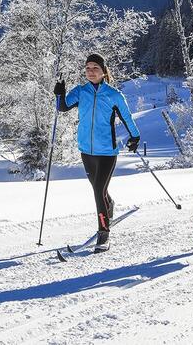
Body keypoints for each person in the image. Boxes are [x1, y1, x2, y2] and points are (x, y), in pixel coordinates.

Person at [54, 53, 141, 253]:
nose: (91, 71)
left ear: (103, 71)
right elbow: (62, 107)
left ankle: (104, 234)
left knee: (97, 190)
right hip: (86, 150)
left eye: (95, 68)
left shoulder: (113, 95)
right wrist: (59, 92)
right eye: (88, 68)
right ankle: (108, 203)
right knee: (99, 189)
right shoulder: (80, 91)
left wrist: (134, 137)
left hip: (107, 152)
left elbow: (127, 118)